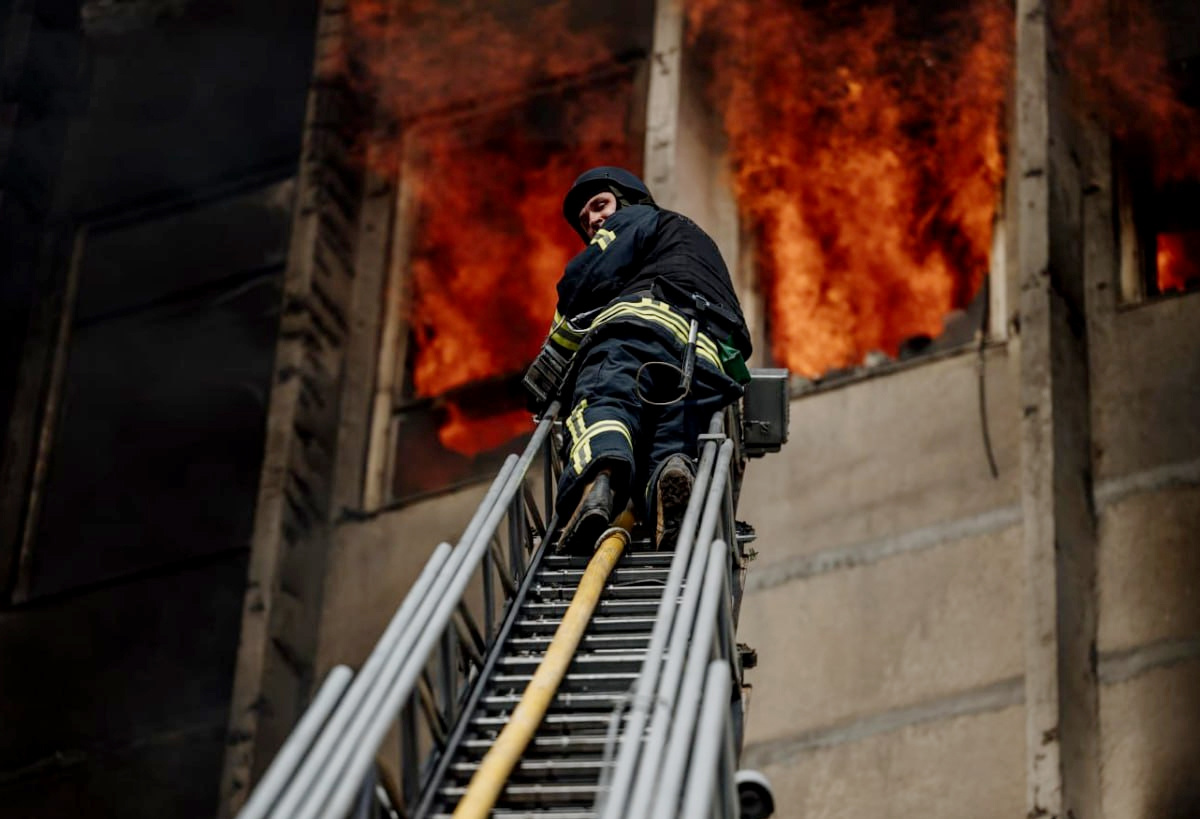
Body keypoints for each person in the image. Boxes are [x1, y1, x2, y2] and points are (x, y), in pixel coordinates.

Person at [524, 166, 752, 553]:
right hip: (701, 357)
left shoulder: (637, 219)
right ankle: (668, 483)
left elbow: (585, 279)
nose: (593, 220)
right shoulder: (697, 244)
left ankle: (597, 483)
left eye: (599, 205)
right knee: (671, 437)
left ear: (628, 200)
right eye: (585, 219)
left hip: (636, 335)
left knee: (604, 402)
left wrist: (551, 363)